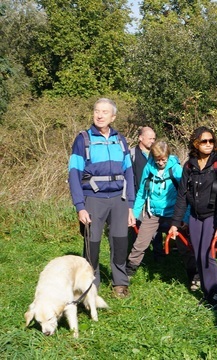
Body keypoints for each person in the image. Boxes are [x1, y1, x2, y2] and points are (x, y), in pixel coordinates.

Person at [68, 98, 136, 298]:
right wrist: (80, 206)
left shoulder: (120, 140)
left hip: (119, 199)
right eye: (97, 111)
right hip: (93, 199)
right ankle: (90, 286)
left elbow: (129, 173)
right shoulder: (83, 139)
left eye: (105, 112)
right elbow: (74, 174)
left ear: (113, 116)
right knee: (92, 245)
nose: (99, 115)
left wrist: (130, 206)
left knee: (120, 243)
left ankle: (120, 283)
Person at [168, 127, 217, 309]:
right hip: (195, 216)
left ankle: (216, 295)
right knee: (197, 255)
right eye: (204, 141)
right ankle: (207, 292)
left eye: (211, 141)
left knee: (206, 255)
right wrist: (175, 223)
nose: (209, 144)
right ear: (196, 143)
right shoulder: (189, 166)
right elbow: (181, 196)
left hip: (212, 216)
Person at [126, 141, 197, 290]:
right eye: (158, 159)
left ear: (168, 156)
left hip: (174, 214)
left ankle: (194, 276)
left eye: (163, 159)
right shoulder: (149, 168)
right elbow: (142, 193)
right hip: (154, 214)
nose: (161, 162)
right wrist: (134, 212)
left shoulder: (176, 169)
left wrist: (184, 218)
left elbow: (186, 195)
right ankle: (127, 274)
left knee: (184, 246)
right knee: (140, 243)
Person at [131, 126, 156, 194]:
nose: (152, 141)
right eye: (150, 139)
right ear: (140, 138)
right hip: (138, 195)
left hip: (155, 197)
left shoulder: (157, 154)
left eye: (154, 139)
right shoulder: (132, 154)